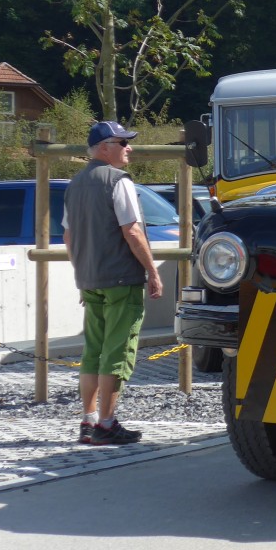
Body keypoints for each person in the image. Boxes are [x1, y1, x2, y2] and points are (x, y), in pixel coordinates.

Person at [63, 121, 164, 445]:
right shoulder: (118, 182)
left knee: (93, 350)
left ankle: (89, 420)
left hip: (89, 279)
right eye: (122, 143)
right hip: (121, 278)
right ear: (105, 147)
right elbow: (132, 231)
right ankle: (107, 423)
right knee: (117, 351)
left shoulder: (75, 184)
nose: (128, 148)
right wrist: (153, 270)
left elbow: (68, 235)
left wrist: (83, 271)